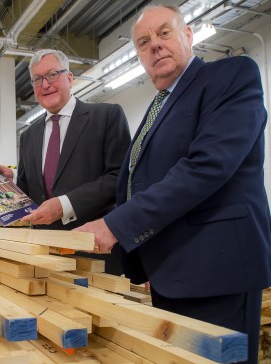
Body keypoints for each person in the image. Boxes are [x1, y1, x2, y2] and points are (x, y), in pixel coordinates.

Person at [75, 4, 271, 363]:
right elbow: (145, 183)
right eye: (143, 42)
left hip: (217, 270)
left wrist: (114, 225)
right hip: (170, 273)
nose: (155, 46)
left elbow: (205, 167)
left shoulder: (231, 75)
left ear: (188, 35)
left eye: (164, 33)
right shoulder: (158, 107)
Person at [0, 49, 131, 275]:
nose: (45, 84)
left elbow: (119, 179)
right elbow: (29, 197)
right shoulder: (28, 135)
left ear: (69, 78)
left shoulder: (106, 117)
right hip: (44, 256)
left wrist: (64, 205)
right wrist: (8, 188)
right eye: (37, 79)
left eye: (52, 75)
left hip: (94, 253)